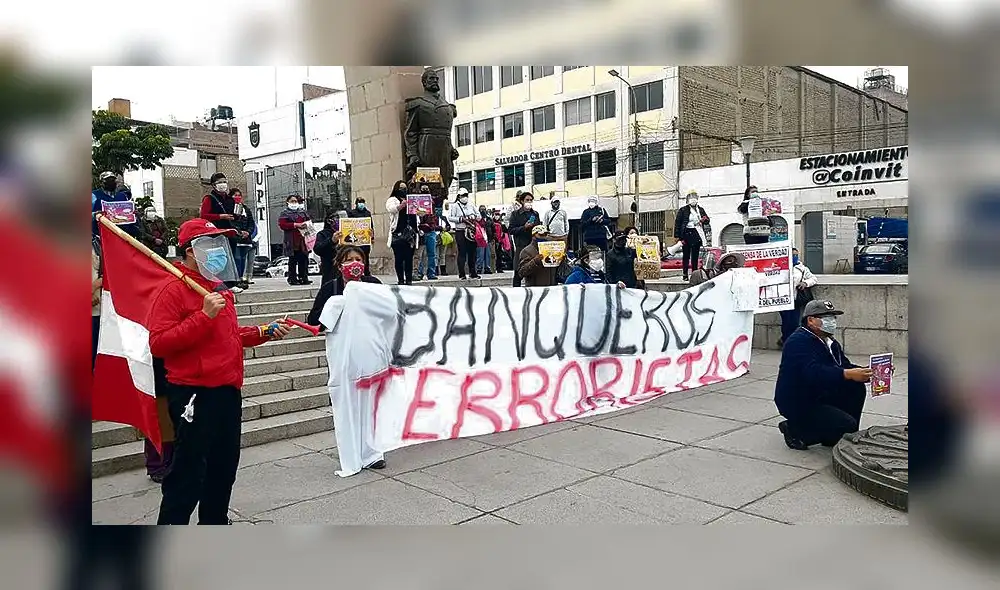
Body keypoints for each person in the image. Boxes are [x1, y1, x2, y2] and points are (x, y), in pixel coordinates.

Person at [148, 218, 292, 524]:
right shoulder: (173, 290)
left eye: (220, 245)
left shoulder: (218, 289)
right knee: (188, 474)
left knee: (223, 469)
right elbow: (159, 343)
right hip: (194, 395)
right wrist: (203, 316)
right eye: (210, 245)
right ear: (189, 251)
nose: (218, 252)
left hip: (227, 392)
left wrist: (263, 331)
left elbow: (228, 337)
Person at [773, 299, 872, 451]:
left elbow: (844, 366)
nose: (832, 321)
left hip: (821, 392)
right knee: (845, 424)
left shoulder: (830, 341)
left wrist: (868, 371)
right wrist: (847, 374)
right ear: (811, 320)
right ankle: (794, 430)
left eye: (833, 317)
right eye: (826, 318)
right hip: (799, 400)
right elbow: (812, 372)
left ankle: (842, 435)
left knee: (855, 387)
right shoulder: (798, 341)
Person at [307, 245, 384, 330]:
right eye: (349, 260)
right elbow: (313, 320)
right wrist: (334, 307)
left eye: (358, 260)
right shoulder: (330, 287)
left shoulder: (373, 284)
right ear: (340, 266)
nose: (355, 263)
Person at [778, 248, 818, 347]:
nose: (794, 257)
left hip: (796, 299)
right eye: (792, 255)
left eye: (796, 255)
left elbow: (813, 278)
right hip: (783, 299)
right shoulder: (780, 267)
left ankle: (790, 342)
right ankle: (786, 340)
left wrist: (805, 283)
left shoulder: (802, 268)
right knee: (786, 322)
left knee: (795, 322)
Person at [385, 180, 418, 285]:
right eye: (401, 188)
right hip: (398, 233)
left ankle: (409, 280)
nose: (403, 190)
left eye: (405, 188)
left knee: (409, 258)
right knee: (399, 258)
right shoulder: (392, 199)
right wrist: (401, 205)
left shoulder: (411, 199)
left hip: (410, 233)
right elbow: (391, 209)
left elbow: (417, 213)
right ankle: (400, 280)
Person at [673, 190, 710, 281]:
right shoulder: (683, 210)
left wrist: (704, 220)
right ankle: (685, 274)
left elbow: (707, 220)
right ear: (687, 199)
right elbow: (678, 223)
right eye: (691, 197)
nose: (693, 199)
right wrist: (677, 236)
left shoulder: (700, 209)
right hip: (686, 233)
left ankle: (694, 274)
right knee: (686, 255)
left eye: (694, 197)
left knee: (695, 255)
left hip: (697, 233)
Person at [277, 194, 313, 286]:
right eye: (292, 201)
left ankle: (303, 277)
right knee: (293, 260)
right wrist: (295, 225)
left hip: (303, 239)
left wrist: (306, 225)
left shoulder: (303, 212)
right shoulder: (284, 213)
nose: (294, 203)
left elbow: (309, 222)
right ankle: (292, 278)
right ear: (288, 202)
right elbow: (282, 225)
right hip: (291, 240)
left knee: (304, 259)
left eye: (296, 201)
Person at [507, 191, 541, 286]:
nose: (529, 202)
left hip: (533, 247)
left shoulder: (535, 214)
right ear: (522, 201)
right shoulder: (515, 214)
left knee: (533, 271)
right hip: (521, 246)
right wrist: (524, 227)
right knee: (518, 272)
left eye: (531, 200)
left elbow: (538, 228)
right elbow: (511, 230)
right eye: (527, 200)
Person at [92, 171, 139, 238]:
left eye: (113, 180)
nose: (111, 182)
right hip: (102, 237)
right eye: (108, 180)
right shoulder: (94, 195)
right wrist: (95, 215)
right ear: (101, 182)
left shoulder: (122, 196)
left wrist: (133, 214)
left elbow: (128, 212)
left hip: (123, 236)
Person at [447, 187, 480, 280]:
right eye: (463, 196)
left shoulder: (471, 205)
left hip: (471, 231)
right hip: (460, 231)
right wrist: (461, 219)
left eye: (466, 195)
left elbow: (479, 216)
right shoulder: (455, 206)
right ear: (459, 196)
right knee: (462, 252)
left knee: (472, 253)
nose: (465, 197)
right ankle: (462, 274)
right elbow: (450, 217)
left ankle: (473, 272)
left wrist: (472, 217)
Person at [230, 189, 256, 291]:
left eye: (239, 195)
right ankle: (236, 279)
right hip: (236, 238)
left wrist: (248, 232)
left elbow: (251, 222)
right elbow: (232, 223)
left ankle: (241, 278)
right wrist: (239, 232)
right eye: (235, 195)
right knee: (236, 259)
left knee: (243, 259)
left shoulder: (246, 209)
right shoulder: (230, 208)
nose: (237, 197)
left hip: (246, 239)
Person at [313, 212, 341, 286]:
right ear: (329, 221)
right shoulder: (322, 234)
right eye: (336, 218)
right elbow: (317, 249)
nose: (339, 220)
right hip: (330, 270)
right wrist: (331, 241)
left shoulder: (349, 233)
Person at [347, 196, 374, 274]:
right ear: (356, 204)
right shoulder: (352, 213)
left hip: (365, 239)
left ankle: (367, 272)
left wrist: (372, 237)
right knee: (356, 255)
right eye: (359, 202)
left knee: (366, 257)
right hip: (356, 240)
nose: (361, 204)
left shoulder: (367, 213)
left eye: (362, 202)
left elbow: (371, 225)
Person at [416, 208, 441, 280]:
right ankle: (419, 272)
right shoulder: (416, 209)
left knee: (432, 254)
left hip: (430, 231)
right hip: (421, 232)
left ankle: (431, 273)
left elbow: (433, 221)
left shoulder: (431, 208)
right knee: (419, 254)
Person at [476, 205, 495, 274]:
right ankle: (479, 268)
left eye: (484, 209)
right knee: (480, 255)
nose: (483, 211)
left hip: (489, 239)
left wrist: (493, 238)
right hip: (480, 239)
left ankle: (487, 268)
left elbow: (493, 229)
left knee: (488, 255)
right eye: (481, 210)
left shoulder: (489, 219)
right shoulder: (477, 219)